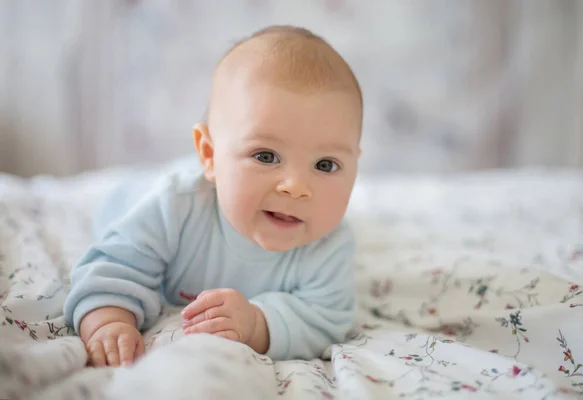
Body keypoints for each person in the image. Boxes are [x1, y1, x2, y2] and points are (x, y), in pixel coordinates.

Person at [63, 25, 363, 367]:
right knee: (146, 191)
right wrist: (109, 320)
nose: (295, 186)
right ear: (209, 154)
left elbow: (324, 318)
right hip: (132, 196)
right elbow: (114, 266)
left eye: (325, 164)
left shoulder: (329, 246)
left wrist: (256, 323)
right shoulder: (175, 207)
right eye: (266, 156)